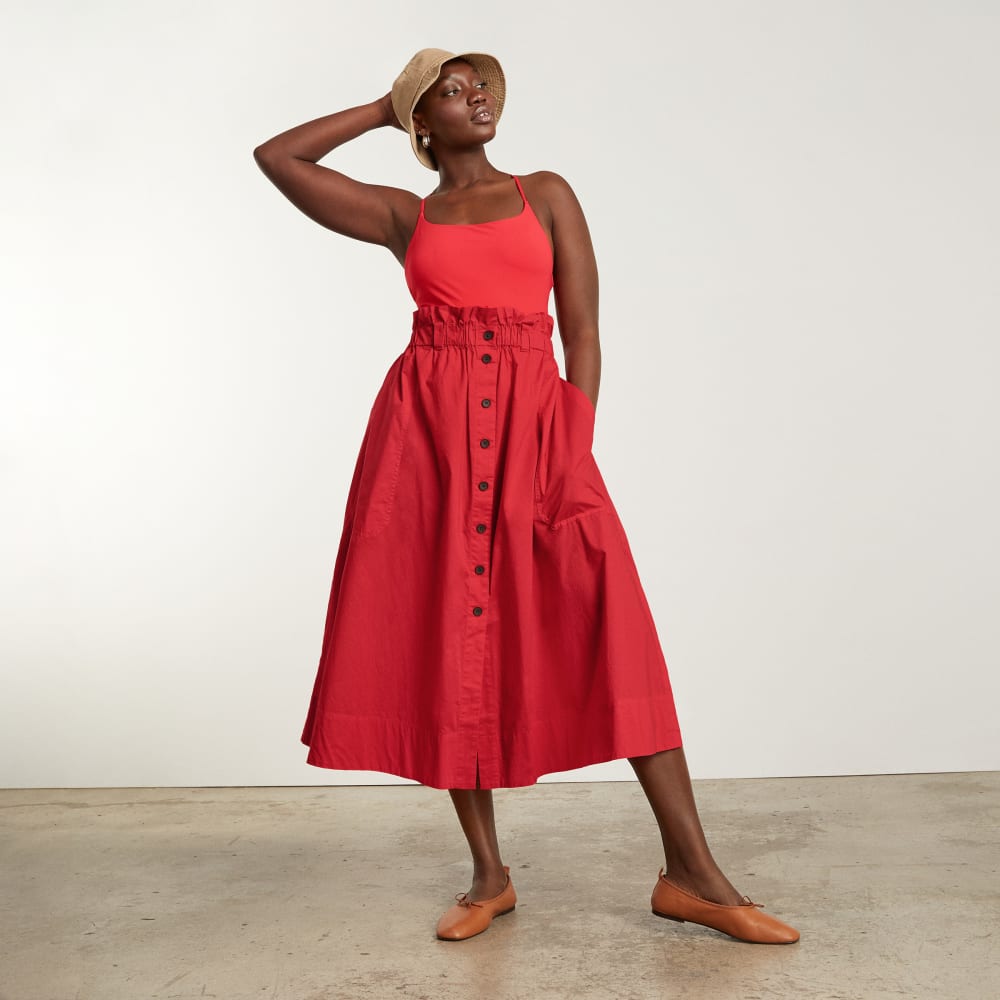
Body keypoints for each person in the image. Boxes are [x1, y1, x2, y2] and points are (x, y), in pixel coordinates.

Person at [253, 48, 799, 945]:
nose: (477, 97)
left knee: (614, 633)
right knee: (451, 642)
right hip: (426, 450)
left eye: (481, 86)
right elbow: (279, 158)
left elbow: (582, 331)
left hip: (537, 440)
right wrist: (384, 107)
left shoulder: (545, 193)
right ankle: (488, 877)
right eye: (452, 90)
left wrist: (570, 454)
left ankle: (693, 875)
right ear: (423, 120)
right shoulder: (404, 215)